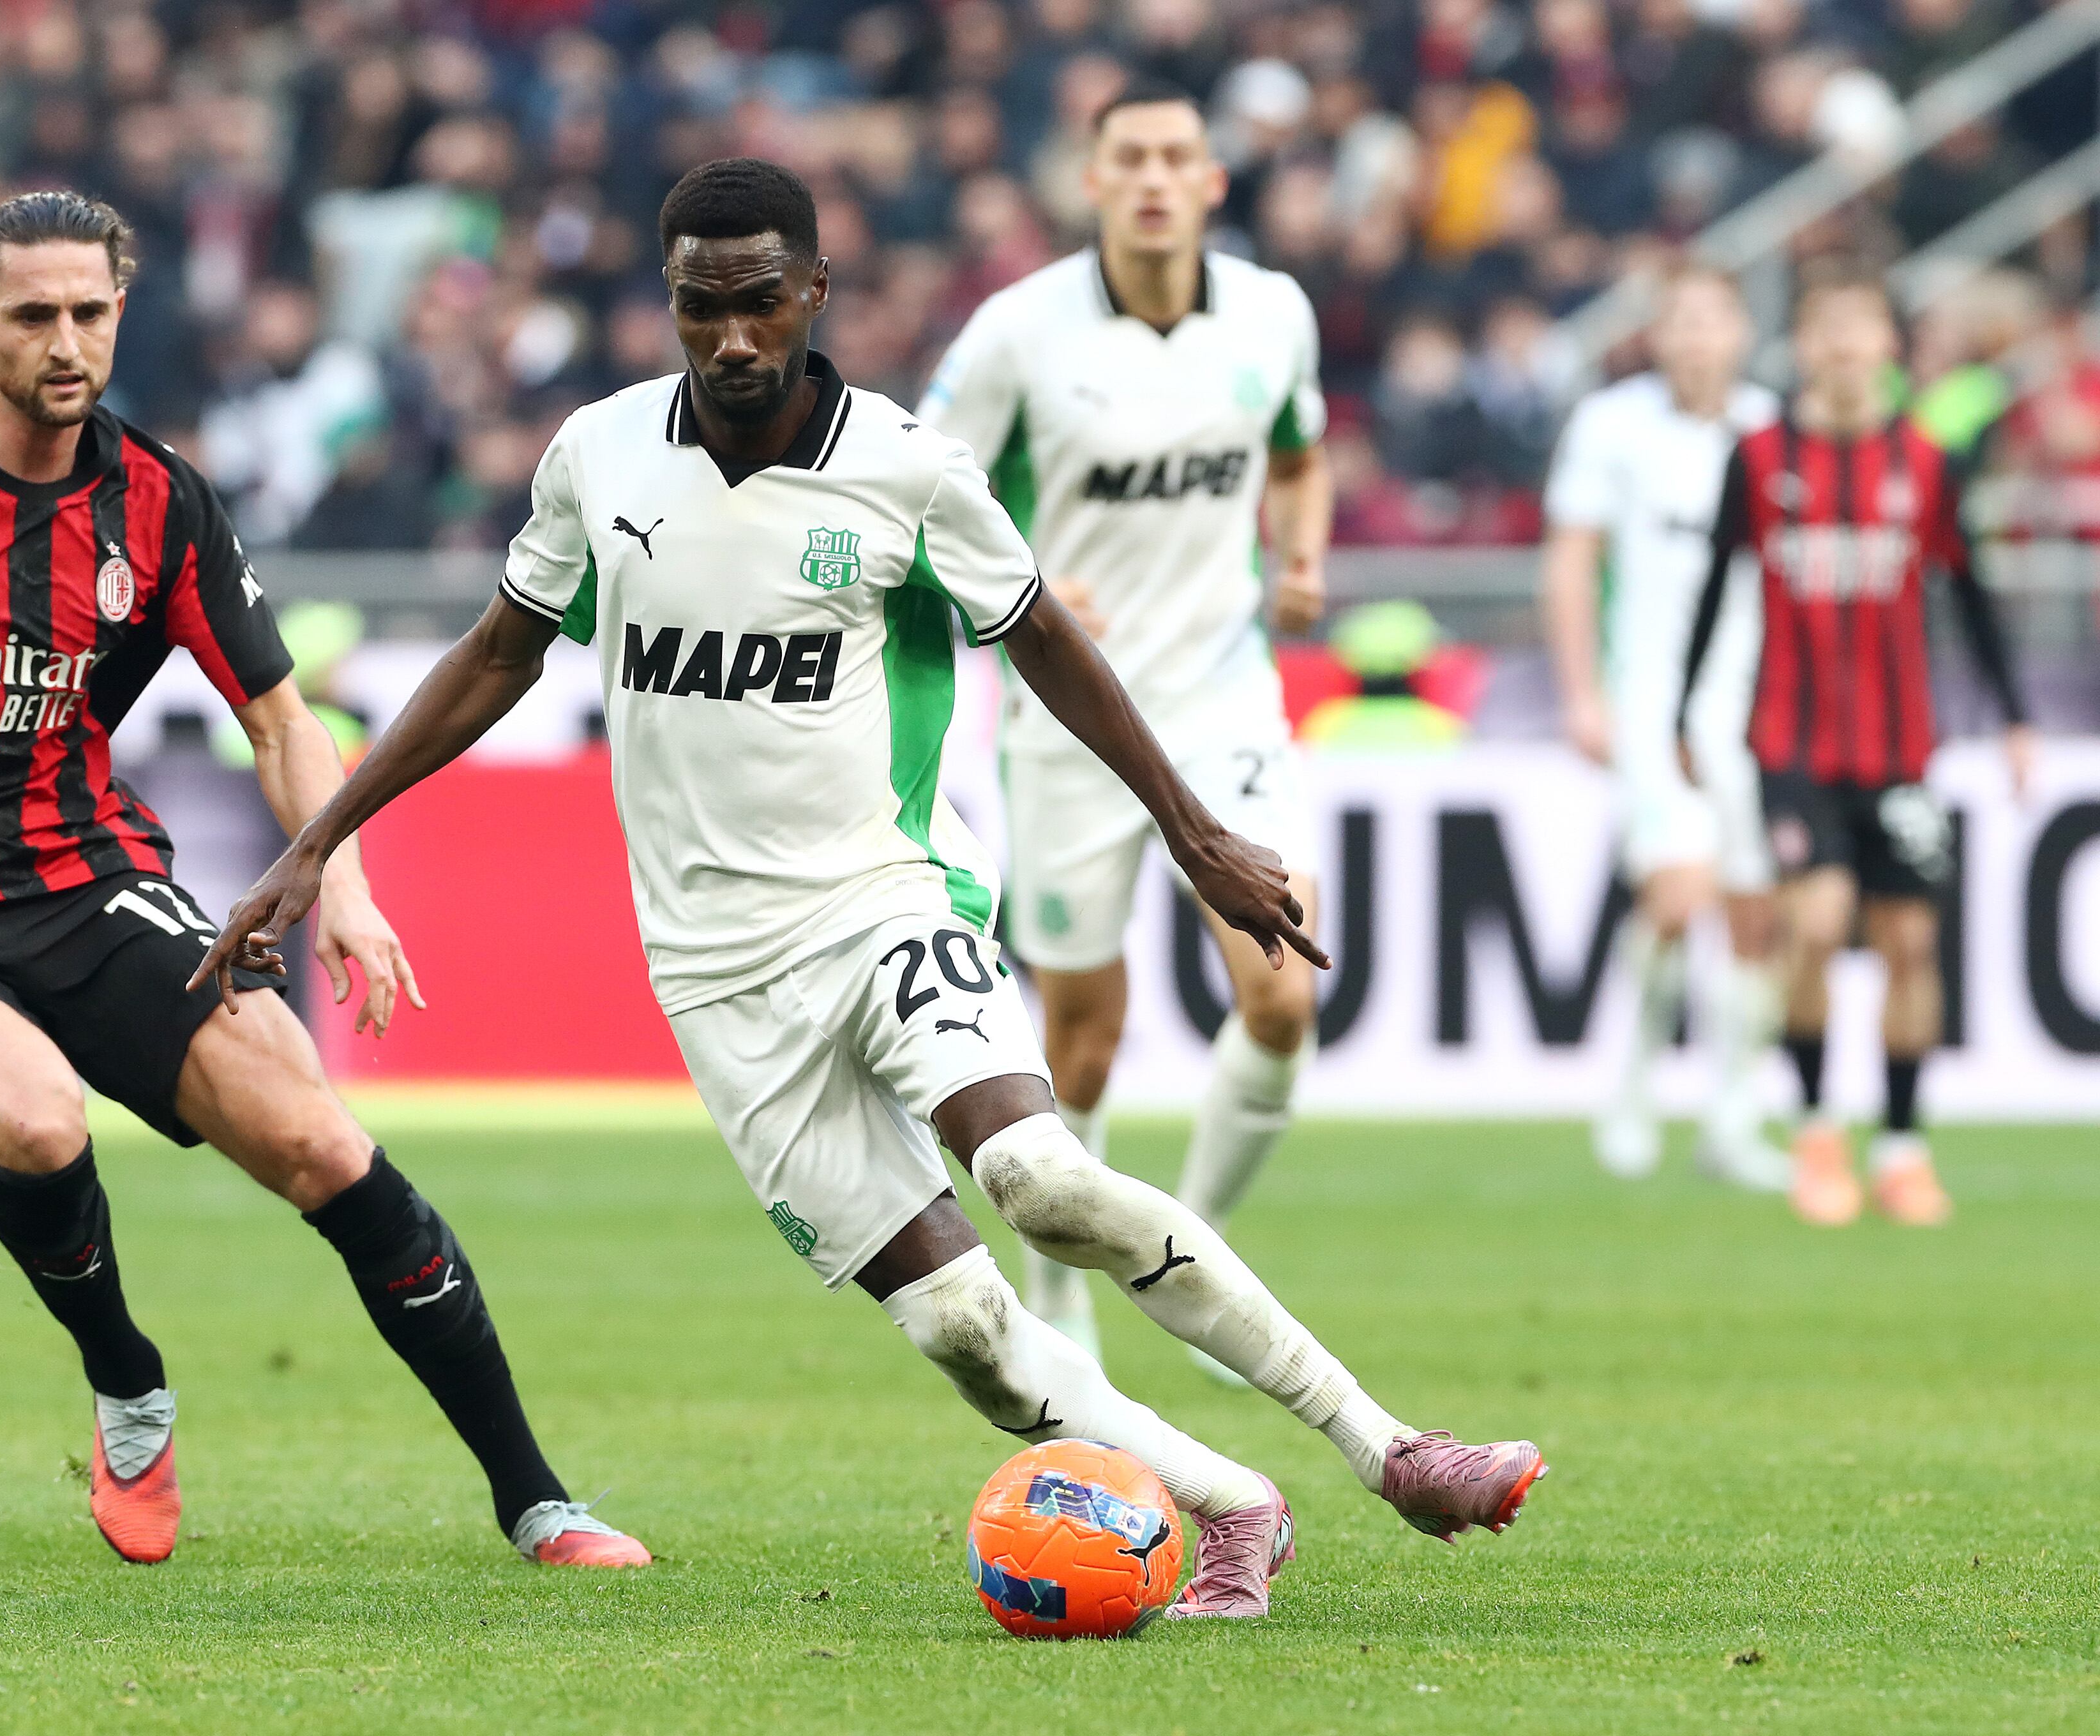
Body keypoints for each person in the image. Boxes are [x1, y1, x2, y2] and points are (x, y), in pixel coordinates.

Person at [195, 159, 1545, 1620]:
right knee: (963, 1327)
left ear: (811, 295)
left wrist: (1191, 830)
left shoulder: (903, 466)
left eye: (759, 303)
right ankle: (1230, 1503)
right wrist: (316, 840)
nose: (730, 339)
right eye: (700, 307)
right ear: (668, 301)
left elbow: (1040, 640)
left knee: (1036, 1177)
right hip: (714, 976)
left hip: (882, 897)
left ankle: (1390, 1447)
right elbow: (492, 657)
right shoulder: (596, 456)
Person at [0, 191, 647, 1571]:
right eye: (33, 315)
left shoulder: (159, 499)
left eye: (90, 313)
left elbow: (284, 718)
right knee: (38, 1120)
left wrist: (337, 884)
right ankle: (126, 1375)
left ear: (119, 314)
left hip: (87, 878)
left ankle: (538, 1500)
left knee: (317, 1141)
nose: (66, 341)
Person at [917, 82, 1334, 1374]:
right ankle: (1066, 1289)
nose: (1153, 178)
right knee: (1082, 1032)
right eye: (1128, 159)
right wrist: (1024, 564)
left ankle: (1193, 1250)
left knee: (1279, 991)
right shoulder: (1016, 333)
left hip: (1220, 699)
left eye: (1175, 158)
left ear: (1212, 181)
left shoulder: (1273, 313)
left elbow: (1295, 449)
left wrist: (1302, 551)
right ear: (1090, 182)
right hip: (1069, 721)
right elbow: (922, 480)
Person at [1680, 258, 2035, 1227]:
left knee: (1911, 945)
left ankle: (1906, 1149)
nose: (1843, 348)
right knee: (1819, 925)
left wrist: (2012, 716)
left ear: (1888, 344)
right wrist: (1680, 713)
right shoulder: (1758, 460)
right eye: (1826, 330)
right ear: (1805, 345)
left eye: (1860, 328)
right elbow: (1716, 587)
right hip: (1790, 742)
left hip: (1902, 749)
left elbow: (1971, 595)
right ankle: (1817, 1135)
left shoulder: (1924, 462)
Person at [1539, 266, 1787, 1190]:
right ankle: (1633, 1092)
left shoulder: (1771, 432)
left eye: (1710, 321)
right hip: (1652, 701)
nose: (1693, 340)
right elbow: (1571, 562)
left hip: (1758, 708)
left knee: (1759, 916)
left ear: (1741, 334)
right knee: (1680, 902)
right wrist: (1582, 693)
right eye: (1677, 322)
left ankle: (1735, 1115)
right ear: (1656, 336)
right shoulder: (1614, 425)